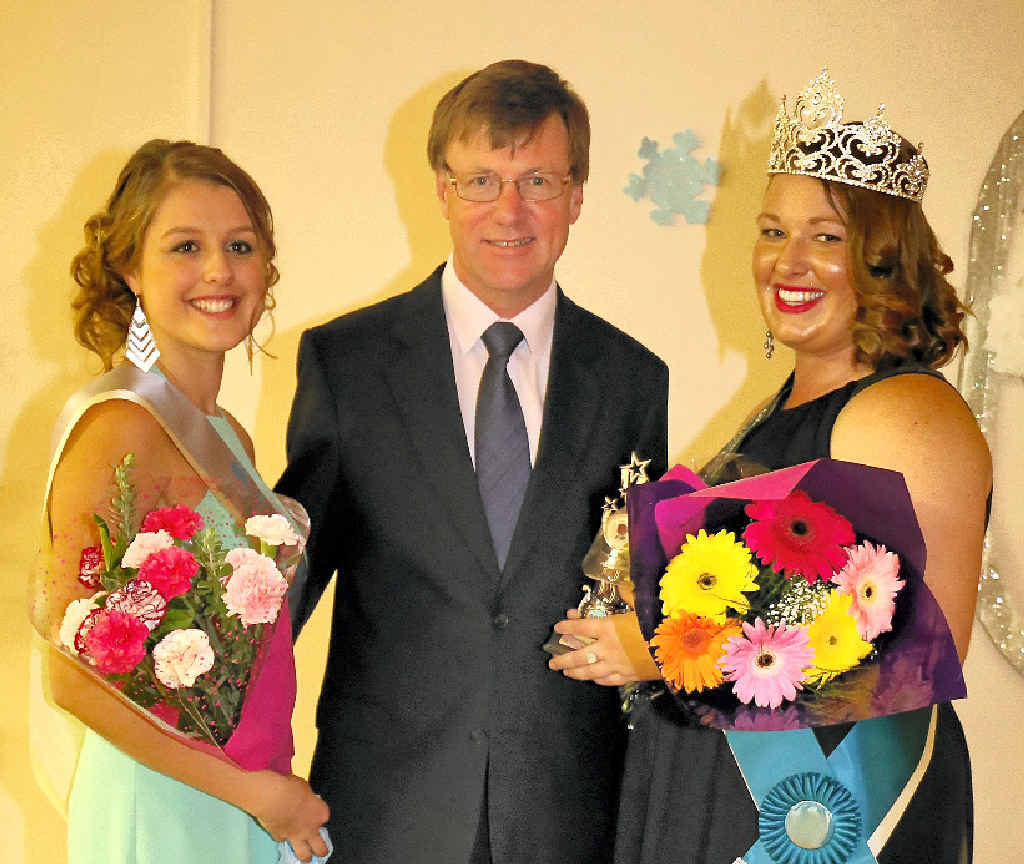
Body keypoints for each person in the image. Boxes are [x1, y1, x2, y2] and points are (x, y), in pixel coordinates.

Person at [554, 70, 991, 863]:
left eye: (827, 236)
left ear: (885, 259)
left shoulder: (906, 412)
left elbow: (925, 645)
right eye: (771, 230)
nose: (789, 261)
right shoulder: (777, 409)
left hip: (833, 813)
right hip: (723, 801)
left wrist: (654, 647)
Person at [276, 60, 668, 864]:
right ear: (443, 192)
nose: (510, 210)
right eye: (482, 179)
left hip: (570, 812)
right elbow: (285, 590)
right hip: (385, 807)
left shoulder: (634, 379)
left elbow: (645, 590)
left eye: (538, 181)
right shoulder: (345, 364)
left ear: (577, 196)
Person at [31, 140, 330, 863]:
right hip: (161, 804)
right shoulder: (116, 426)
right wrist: (256, 794)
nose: (219, 271)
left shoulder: (230, 436)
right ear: (130, 268)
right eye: (185, 247)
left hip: (244, 790)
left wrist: (259, 790)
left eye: (239, 245)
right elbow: (69, 678)